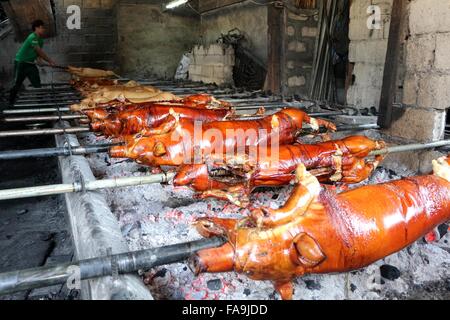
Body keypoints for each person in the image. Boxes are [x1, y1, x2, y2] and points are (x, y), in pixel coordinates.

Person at [9, 19, 56, 105]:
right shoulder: (32, 37)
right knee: (17, 84)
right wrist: (50, 61)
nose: (43, 29)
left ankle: (41, 102)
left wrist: (40, 61)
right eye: (42, 28)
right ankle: (10, 102)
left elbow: (37, 55)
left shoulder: (40, 40)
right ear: (36, 28)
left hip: (30, 64)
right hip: (21, 63)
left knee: (37, 83)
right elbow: (39, 51)